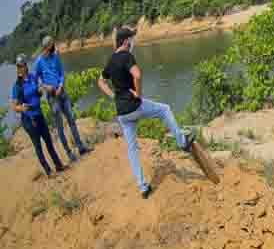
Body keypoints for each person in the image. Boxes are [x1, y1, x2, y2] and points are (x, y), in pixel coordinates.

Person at [97, 27, 194, 199]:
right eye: (132, 39)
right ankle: (182, 142)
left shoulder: (111, 60)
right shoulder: (127, 56)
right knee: (165, 109)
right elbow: (138, 74)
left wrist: (114, 96)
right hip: (134, 106)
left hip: (122, 112)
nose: (133, 42)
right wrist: (139, 95)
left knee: (132, 149)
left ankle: (143, 188)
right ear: (126, 41)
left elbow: (101, 81)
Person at [35, 35, 90, 161]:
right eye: (51, 45)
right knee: (60, 126)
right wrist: (44, 86)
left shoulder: (56, 57)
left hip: (62, 93)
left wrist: (60, 85)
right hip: (52, 97)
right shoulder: (39, 62)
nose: (54, 46)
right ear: (46, 47)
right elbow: (35, 79)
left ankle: (81, 147)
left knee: (71, 119)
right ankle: (69, 153)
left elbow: (61, 73)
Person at [9, 54, 66, 177]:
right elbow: (14, 106)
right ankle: (48, 171)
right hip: (29, 119)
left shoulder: (33, 77)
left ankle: (59, 165)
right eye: (19, 66)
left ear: (26, 66)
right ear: (17, 68)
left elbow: (39, 91)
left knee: (49, 141)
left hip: (39, 114)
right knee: (38, 146)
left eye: (23, 65)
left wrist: (41, 91)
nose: (21, 68)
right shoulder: (17, 86)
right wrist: (21, 108)